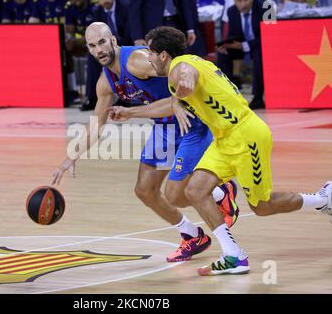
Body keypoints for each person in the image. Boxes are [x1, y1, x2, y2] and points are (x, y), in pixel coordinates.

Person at [135, 26, 332, 275]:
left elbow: (187, 78)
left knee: (262, 206)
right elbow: (177, 97)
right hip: (224, 140)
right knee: (195, 190)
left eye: (149, 52)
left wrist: (182, 91)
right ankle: (234, 255)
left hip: (247, 137)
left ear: (163, 55)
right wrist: (132, 112)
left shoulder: (181, 67)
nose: (146, 58)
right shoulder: (187, 64)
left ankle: (323, 199)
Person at [52, 22, 240, 262]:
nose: (98, 49)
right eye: (92, 45)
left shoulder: (137, 61)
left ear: (113, 40)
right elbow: (97, 124)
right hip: (164, 127)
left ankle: (218, 192)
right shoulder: (106, 81)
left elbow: (178, 66)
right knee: (145, 191)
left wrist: (179, 96)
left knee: (177, 195)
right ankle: (192, 236)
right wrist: (71, 157)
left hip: (191, 123)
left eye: (101, 42)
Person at [216, 0, 266, 109]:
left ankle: (258, 98)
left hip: (260, 45)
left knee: (259, 53)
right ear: (234, 0)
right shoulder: (231, 11)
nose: (243, 4)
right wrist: (225, 44)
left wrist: (244, 45)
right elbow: (233, 34)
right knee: (223, 54)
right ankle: (228, 95)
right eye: (239, 0)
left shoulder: (266, 8)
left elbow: (269, 35)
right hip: (242, 46)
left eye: (246, 0)